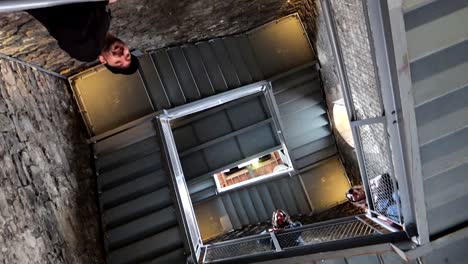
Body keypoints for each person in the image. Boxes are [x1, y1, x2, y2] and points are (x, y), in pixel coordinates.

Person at [27, 0, 139, 75]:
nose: (121, 54)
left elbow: (68, 22)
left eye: (118, 62)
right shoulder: (104, 24)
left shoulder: (88, 53)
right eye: (127, 55)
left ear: (103, 60)